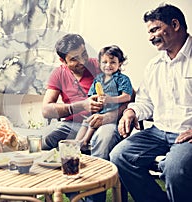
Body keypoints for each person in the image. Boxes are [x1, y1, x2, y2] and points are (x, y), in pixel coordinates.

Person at [110, 4, 192, 202]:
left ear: (175, 24)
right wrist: (132, 112)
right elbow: (145, 102)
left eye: (154, 29)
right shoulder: (154, 65)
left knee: (175, 168)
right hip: (159, 131)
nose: (150, 37)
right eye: (149, 32)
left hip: (187, 134)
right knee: (119, 156)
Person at [42, 34, 131, 202]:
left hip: (104, 121)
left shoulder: (102, 64)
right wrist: (81, 105)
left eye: (83, 54)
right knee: (45, 139)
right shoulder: (58, 74)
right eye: (74, 59)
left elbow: (130, 97)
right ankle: (70, 193)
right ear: (63, 61)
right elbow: (46, 110)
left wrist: (110, 116)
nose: (82, 61)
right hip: (73, 124)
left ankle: (94, 200)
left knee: (103, 140)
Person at [76, 45, 133, 148]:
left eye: (113, 62)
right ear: (99, 63)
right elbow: (91, 95)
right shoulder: (98, 79)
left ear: (119, 64)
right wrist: (95, 101)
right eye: (104, 62)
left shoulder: (122, 79)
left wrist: (111, 99)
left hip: (112, 112)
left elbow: (127, 97)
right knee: (86, 122)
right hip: (99, 110)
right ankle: (76, 144)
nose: (108, 65)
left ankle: (85, 141)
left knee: (93, 123)